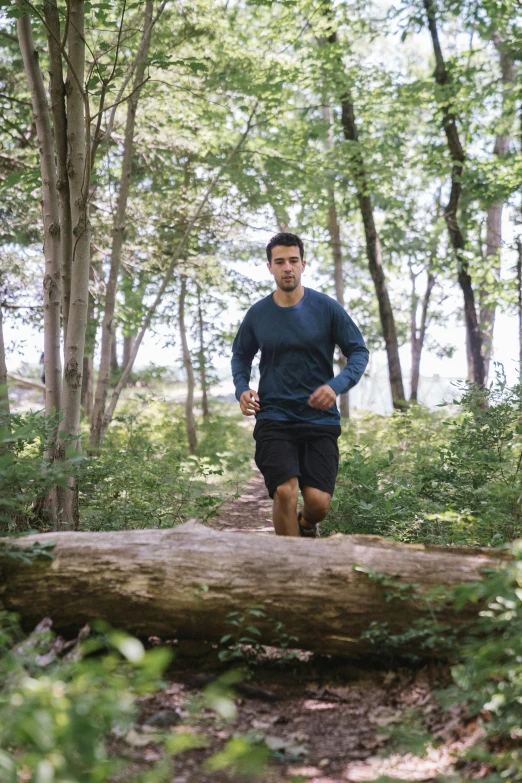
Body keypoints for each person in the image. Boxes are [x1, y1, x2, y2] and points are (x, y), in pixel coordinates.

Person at [231, 232, 369, 538]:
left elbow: (358, 351)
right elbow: (241, 355)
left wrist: (336, 385)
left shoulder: (326, 308)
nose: (287, 267)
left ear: (303, 264)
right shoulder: (258, 314)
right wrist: (242, 388)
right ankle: (289, 571)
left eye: (293, 260)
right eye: (279, 262)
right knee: (285, 491)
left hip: (319, 418)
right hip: (274, 417)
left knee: (318, 503)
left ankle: (307, 526)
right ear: (270, 267)